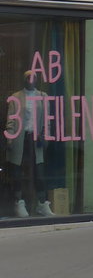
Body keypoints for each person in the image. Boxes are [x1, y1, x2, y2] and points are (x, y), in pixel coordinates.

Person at [7, 72, 53, 218]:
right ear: (24, 79)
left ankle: (41, 203)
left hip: (36, 139)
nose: (31, 80)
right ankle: (18, 202)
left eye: (33, 78)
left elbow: (47, 120)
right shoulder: (16, 97)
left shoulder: (43, 96)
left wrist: (45, 137)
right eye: (28, 77)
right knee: (17, 172)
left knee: (39, 172)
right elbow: (11, 119)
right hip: (21, 137)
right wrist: (10, 137)